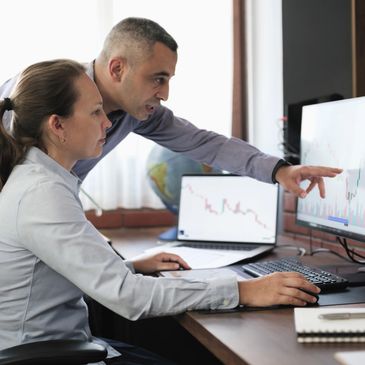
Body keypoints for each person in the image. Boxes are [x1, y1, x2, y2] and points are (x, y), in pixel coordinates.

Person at [1, 59, 326, 364]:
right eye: (96, 112)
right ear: (57, 125)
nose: (107, 122)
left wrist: (128, 265)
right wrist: (243, 290)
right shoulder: (42, 193)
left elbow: (58, 266)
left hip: (66, 345)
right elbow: (129, 297)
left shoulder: (43, 179)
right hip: (50, 354)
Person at [0, 17, 341, 199]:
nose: (165, 93)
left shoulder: (136, 113)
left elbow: (205, 143)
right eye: (158, 78)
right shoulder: (46, 94)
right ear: (118, 69)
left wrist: (279, 171)